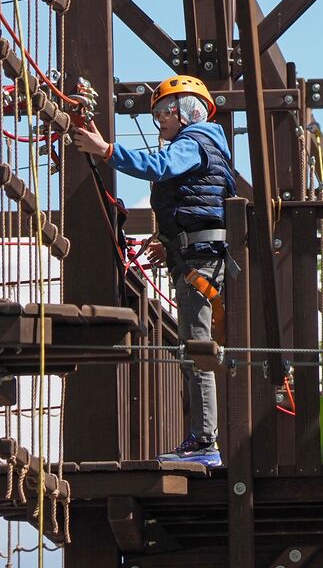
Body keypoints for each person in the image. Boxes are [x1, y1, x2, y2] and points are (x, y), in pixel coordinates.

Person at [71, 75, 233, 467]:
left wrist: (106, 150)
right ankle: (202, 439)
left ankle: (205, 443)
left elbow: (158, 166)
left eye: (163, 112)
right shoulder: (204, 143)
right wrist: (171, 242)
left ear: (184, 111)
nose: (159, 121)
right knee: (193, 348)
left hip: (200, 262)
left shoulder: (194, 141)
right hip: (195, 257)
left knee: (195, 349)